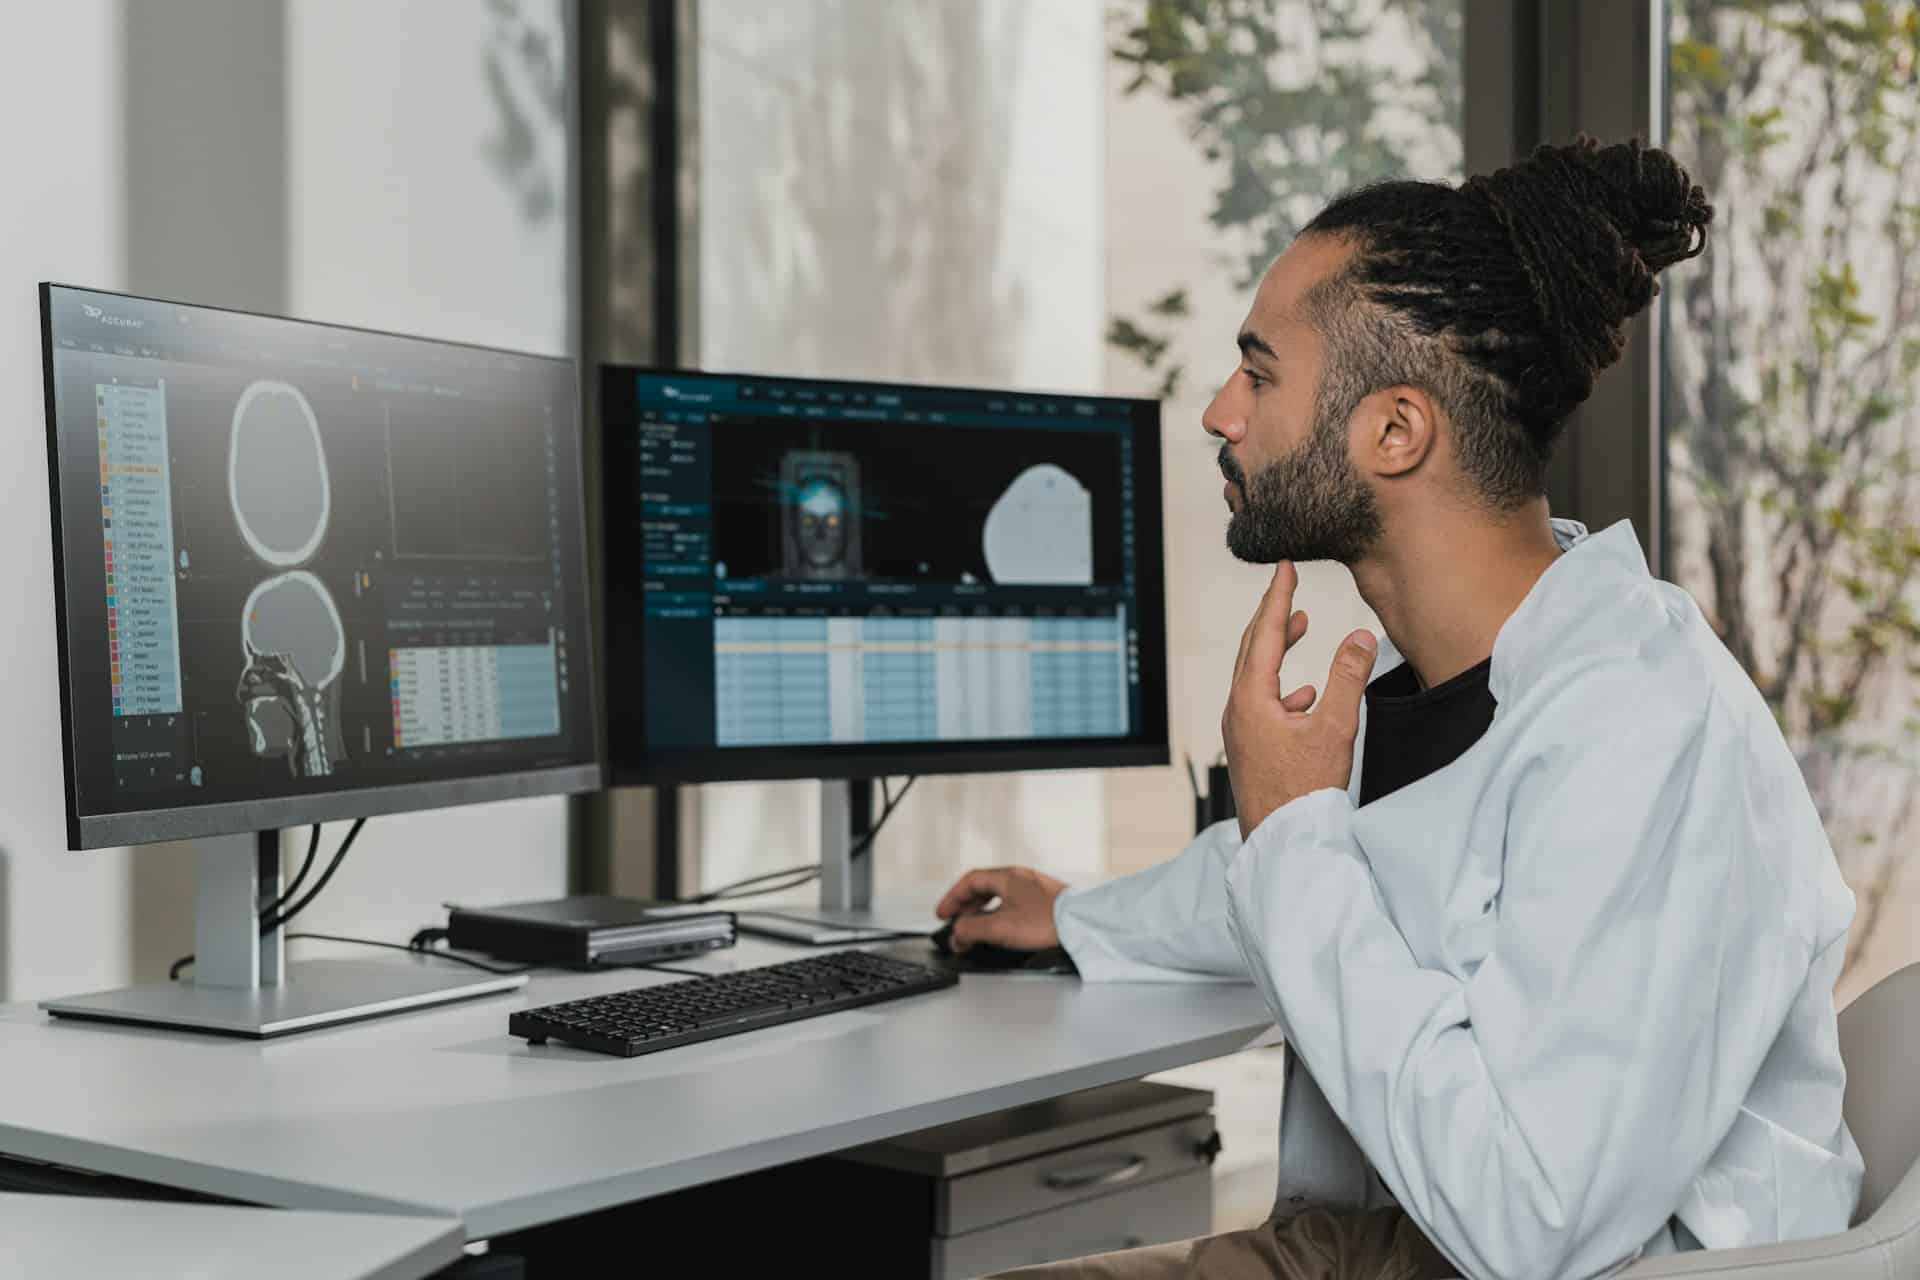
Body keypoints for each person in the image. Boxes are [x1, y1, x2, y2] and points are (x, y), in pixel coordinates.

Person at [935, 137, 1863, 1280]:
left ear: (1395, 432)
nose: (1222, 411)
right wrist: (1079, 915)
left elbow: (1532, 1223)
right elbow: (1342, 875)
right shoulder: (1456, 683)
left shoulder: (1646, 726)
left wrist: (1293, 829)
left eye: (1260, 372)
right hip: (1419, 1230)